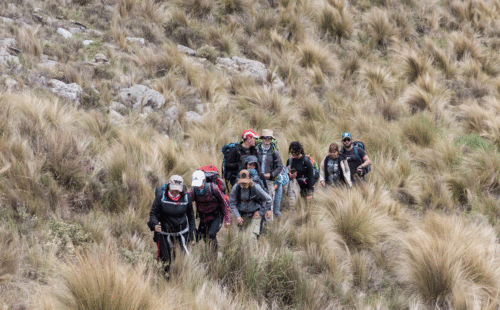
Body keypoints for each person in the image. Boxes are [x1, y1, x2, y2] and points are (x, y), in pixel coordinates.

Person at [147, 175, 195, 273]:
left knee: (182, 258)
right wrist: (155, 224)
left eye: (178, 190)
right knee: (165, 260)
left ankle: (182, 278)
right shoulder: (161, 197)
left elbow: (191, 217)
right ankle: (166, 280)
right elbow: (153, 213)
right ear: (169, 186)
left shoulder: (186, 198)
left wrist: (192, 235)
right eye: (173, 189)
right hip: (165, 233)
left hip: (182, 233)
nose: (175, 191)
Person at [189, 170, 231, 250]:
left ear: (204, 180)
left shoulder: (213, 188)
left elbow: (224, 203)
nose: (198, 187)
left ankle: (214, 257)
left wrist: (227, 220)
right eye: (196, 185)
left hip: (216, 216)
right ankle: (208, 254)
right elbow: (187, 202)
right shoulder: (193, 191)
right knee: (201, 237)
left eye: (199, 184)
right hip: (203, 217)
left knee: (211, 234)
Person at [229, 169, 272, 240]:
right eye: (242, 182)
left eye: (245, 182)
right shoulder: (236, 188)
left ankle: (255, 250)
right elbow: (232, 203)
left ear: (249, 180)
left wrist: (261, 213)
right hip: (242, 214)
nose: (244, 184)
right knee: (242, 237)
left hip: (255, 214)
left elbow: (269, 200)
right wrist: (237, 216)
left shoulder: (256, 187)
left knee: (252, 237)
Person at [256, 129, 284, 209]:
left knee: (269, 202)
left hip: (269, 181)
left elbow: (280, 166)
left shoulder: (274, 152)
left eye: (269, 138)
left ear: (271, 140)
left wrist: (271, 175)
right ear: (262, 139)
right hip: (257, 180)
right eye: (265, 138)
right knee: (258, 201)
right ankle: (260, 220)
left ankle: (269, 221)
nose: (267, 140)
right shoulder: (256, 151)